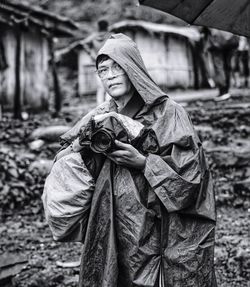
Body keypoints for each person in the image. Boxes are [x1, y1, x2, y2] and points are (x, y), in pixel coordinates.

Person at [44, 34, 217, 287]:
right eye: (103, 70)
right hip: (111, 224)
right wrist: (82, 143)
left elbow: (191, 182)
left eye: (118, 67)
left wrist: (143, 163)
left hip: (158, 232)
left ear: (133, 69)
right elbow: (61, 165)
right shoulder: (100, 116)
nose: (110, 75)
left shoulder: (169, 113)